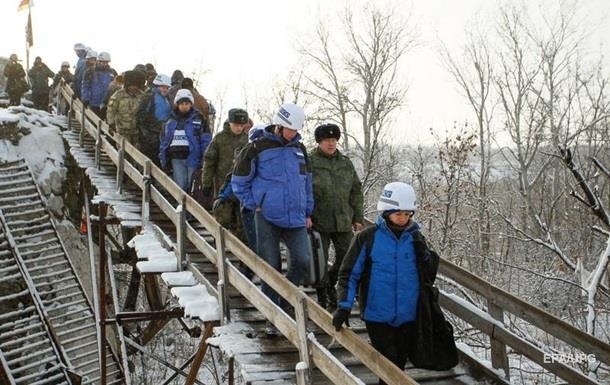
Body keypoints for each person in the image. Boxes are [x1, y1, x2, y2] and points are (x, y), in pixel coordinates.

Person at [333, 182, 438, 385]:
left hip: (409, 315)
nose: (403, 218)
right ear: (387, 211)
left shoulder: (416, 238)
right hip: (377, 315)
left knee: (398, 364)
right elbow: (348, 274)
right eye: (398, 214)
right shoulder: (367, 238)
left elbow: (427, 276)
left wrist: (426, 257)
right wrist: (343, 306)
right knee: (388, 363)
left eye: (408, 214)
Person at [231, 103, 313, 336]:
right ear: (279, 125)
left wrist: (308, 211)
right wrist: (254, 203)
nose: (293, 134)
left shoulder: (300, 149)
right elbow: (239, 180)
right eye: (289, 129)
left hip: (295, 217)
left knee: (303, 260)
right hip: (266, 216)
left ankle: (285, 301)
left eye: (296, 130)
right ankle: (272, 318)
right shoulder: (257, 147)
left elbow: (306, 182)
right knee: (271, 267)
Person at [309, 123, 364, 310]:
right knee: (319, 259)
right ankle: (323, 293)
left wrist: (358, 217)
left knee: (348, 257)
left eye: (333, 140)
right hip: (318, 220)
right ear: (319, 142)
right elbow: (302, 190)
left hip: (342, 220)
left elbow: (356, 191)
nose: (331, 144)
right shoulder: (310, 162)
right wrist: (306, 215)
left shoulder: (345, 163)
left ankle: (332, 283)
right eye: (327, 140)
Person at [159, 89, 211, 191]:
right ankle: (180, 205)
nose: (184, 106)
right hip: (175, 156)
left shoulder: (199, 118)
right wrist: (163, 158)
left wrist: (204, 157)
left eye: (187, 103)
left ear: (191, 104)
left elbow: (206, 139)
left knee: (191, 184)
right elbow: (164, 139)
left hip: (193, 156)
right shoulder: (170, 119)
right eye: (181, 103)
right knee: (180, 185)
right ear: (177, 104)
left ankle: (188, 205)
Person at [201, 108, 249, 198]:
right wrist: (206, 182)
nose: (239, 128)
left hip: (241, 188)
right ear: (230, 123)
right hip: (222, 185)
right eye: (236, 125)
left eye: (241, 125)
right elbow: (209, 161)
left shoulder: (247, 139)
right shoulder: (219, 138)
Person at [136, 73, 172, 165]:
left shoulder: (168, 99)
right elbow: (140, 116)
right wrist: (146, 134)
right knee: (148, 160)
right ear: (157, 86)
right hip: (150, 135)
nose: (165, 89)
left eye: (167, 88)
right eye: (163, 87)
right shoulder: (149, 97)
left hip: (163, 134)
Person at [106, 70, 146, 145]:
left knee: (136, 152)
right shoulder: (119, 95)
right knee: (123, 151)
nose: (134, 88)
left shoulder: (142, 96)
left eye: (136, 86)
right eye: (132, 85)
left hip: (137, 131)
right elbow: (111, 110)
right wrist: (111, 124)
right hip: (122, 130)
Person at [81, 51, 115, 119]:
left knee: (104, 124)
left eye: (106, 62)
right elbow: (85, 86)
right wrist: (85, 99)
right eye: (103, 62)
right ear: (98, 61)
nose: (105, 64)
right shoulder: (90, 71)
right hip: (94, 102)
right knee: (94, 122)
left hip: (106, 103)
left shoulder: (112, 72)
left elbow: (115, 86)